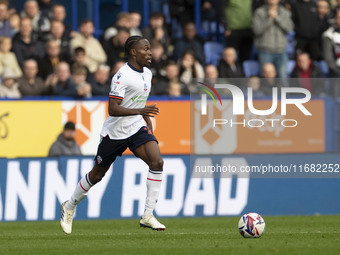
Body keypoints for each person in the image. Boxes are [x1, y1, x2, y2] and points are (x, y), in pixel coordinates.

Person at [60, 36, 166, 234]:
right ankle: (70, 205)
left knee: (157, 162)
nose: (150, 52)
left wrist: (145, 117)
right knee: (97, 175)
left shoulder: (148, 74)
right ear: (133, 52)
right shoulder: (121, 76)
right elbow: (113, 109)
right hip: (115, 132)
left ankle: (148, 215)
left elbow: (138, 101)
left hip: (136, 128)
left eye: (150, 48)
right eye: (145, 48)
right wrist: (141, 111)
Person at [253, 0, 293, 78]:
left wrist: (277, 18)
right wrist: (270, 19)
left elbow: (289, 28)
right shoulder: (259, 12)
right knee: (265, 78)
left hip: (281, 51)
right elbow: (257, 30)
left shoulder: (284, 12)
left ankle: (281, 91)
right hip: (265, 50)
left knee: (282, 78)